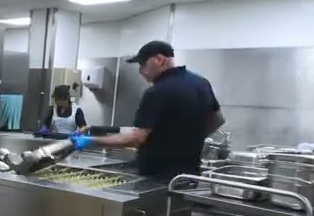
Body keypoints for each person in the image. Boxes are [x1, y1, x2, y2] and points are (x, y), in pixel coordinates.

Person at [77, 40, 223, 181]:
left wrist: (91, 141)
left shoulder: (157, 92)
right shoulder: (201, 83)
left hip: (157, 177)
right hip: (189, 175)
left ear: (159, 59)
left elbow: (137, 138)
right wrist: (191, 139)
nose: (141, 71)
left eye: (143, 64)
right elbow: (217, 120)